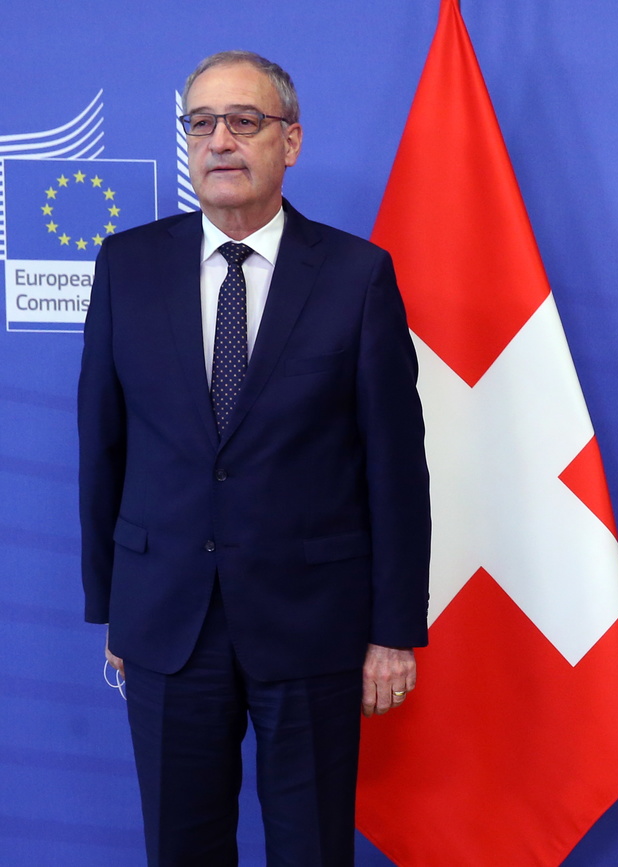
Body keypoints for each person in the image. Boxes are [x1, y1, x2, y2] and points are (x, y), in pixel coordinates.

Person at [78, 50, 431, 866]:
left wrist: (391, 630)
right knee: (181, 845)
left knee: (310, 847)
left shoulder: (356, 276)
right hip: (167, 619)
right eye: (201, 123)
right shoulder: (126, 266)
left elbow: (395, 468)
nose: (221, 141)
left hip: (312, 622)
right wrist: (115, 604)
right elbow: (102, 443)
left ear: (291, 141)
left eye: (245, 121)